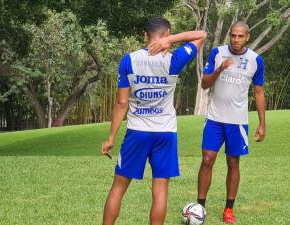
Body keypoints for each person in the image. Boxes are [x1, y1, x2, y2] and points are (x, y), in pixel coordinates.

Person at [101, 16, 206, 225]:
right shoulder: (174, 59)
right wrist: (172, 40)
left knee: (119, 187)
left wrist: (111, 137)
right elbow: (202, 35)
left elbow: (122, 103)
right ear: (166, 34)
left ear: (144, 35)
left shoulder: (128, 60)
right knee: (160, 190)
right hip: (165, 133)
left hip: (137, 132)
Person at [197, 21, 265, 224]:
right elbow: (204, 84)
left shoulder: (256, 60)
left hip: (238, 122)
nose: (236, 39)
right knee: (207, 159)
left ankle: (228, 209)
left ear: (248, 37)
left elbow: (259, 92)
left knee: (233, 162)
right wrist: (219, 69)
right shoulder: (217, 53)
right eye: (233, 35)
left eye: (240, 36)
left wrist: (262, 124)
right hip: (215, 119)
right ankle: (199, 207)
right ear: (229, 35)